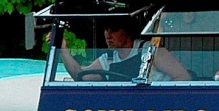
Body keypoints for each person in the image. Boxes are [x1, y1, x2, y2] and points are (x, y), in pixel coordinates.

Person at [58, 20, 191, 82]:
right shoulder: (108, 58)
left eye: (114, 30)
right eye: (106, 30)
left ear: (128, 32)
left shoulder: (151, 50)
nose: (108, 35)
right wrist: (63, 49)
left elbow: (183, 78)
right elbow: (80, 76)